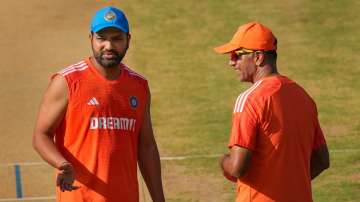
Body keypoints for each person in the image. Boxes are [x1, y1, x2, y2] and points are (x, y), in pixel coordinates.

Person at [32, 6, 165, 202]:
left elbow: (146, 147)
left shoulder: (139, 86)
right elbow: (40, 135)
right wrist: (62, 164)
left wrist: (159, 199)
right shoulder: (67, 82)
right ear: (91, 39)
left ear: (128, 40)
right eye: (102, 38)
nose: (109, 46)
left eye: (116, 38)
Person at [214, 22, 330, 202]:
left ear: (258, 57)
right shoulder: (304, 98)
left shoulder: (249, 100)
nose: (231, 61)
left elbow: (237, 168)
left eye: (237, 55)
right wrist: (288, 186)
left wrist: (223, 162)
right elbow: (322, 160)